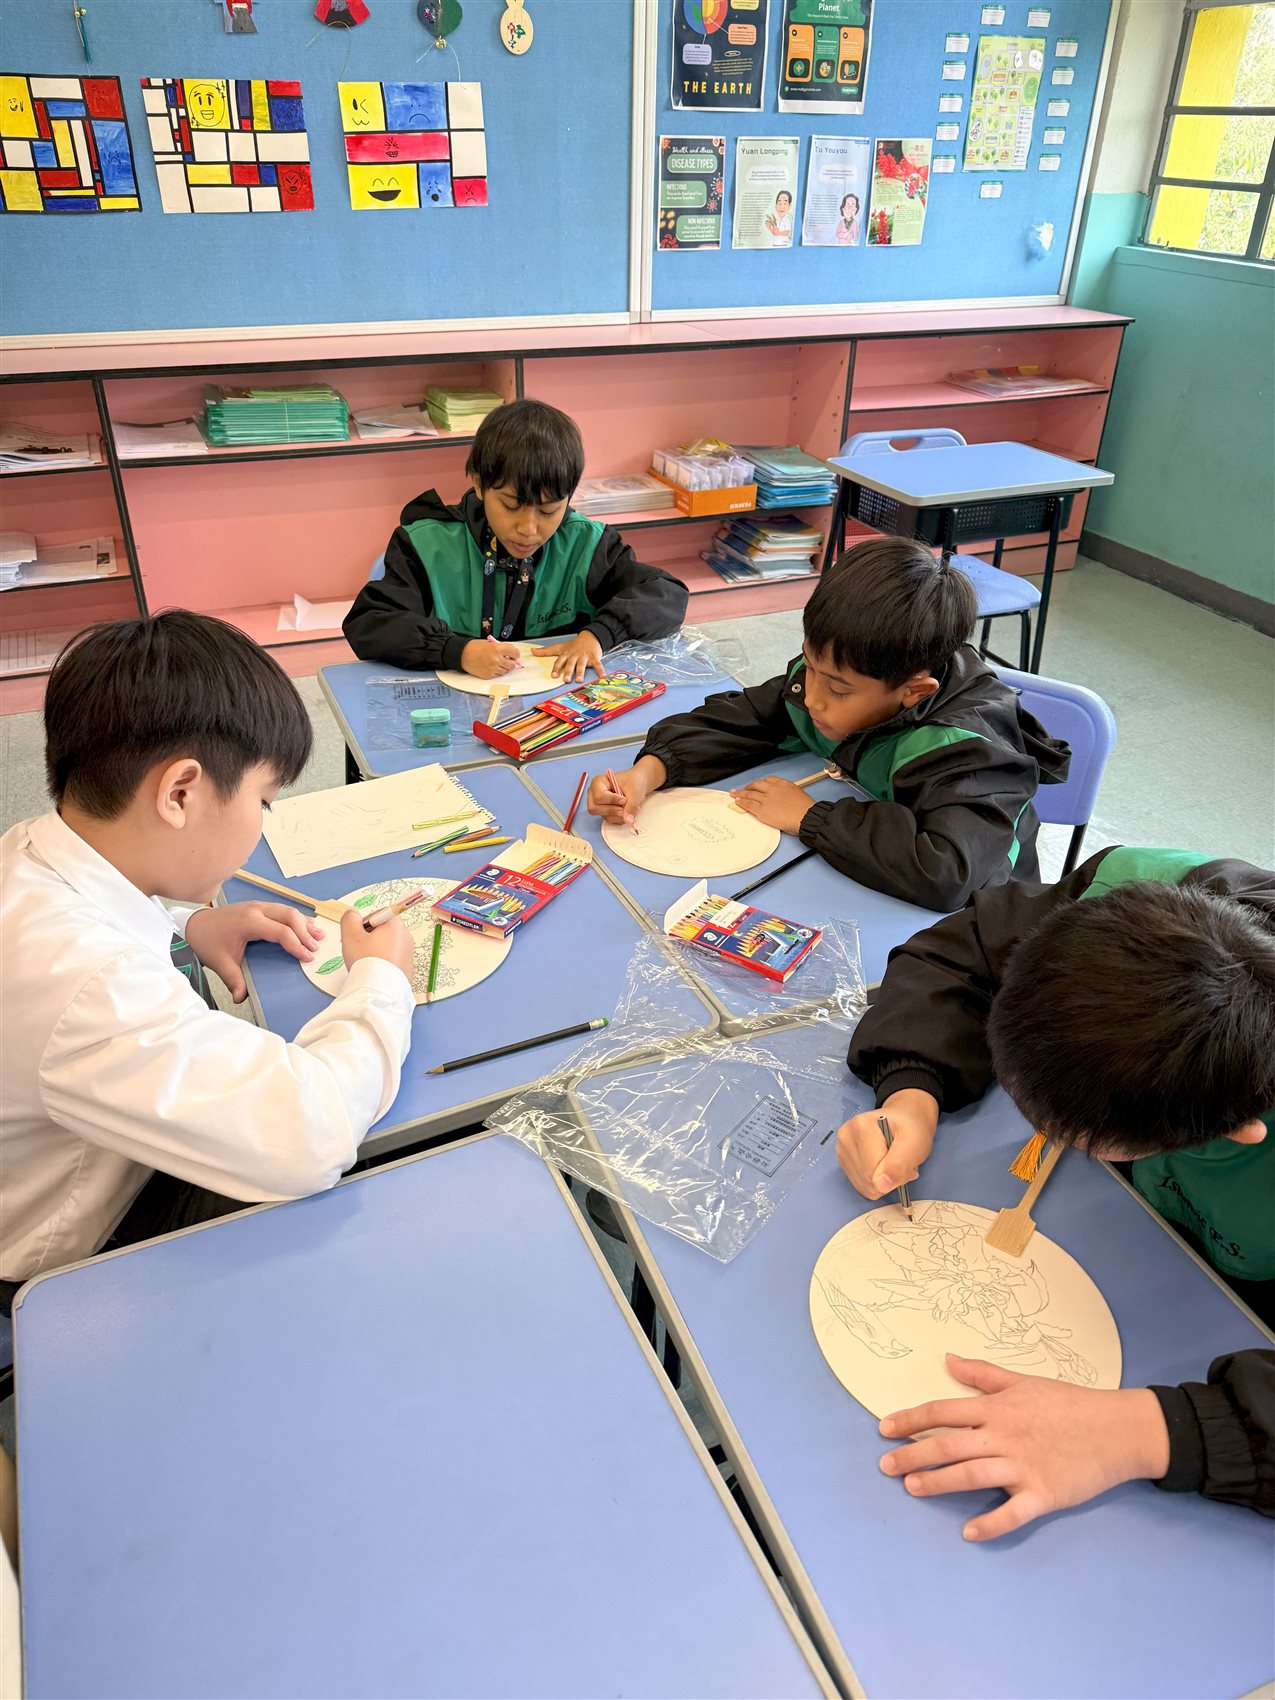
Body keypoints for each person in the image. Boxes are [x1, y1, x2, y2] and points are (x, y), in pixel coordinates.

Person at [837, 848, 1275, 1537]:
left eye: (1084, 1136)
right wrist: (912, 1088)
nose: (1045, 1136)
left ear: (1237, 1129)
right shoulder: (1121, 908)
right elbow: (963, 955)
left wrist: (1148, 1430)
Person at [0, 611, 417, 1283]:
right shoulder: (88, 986)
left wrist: (188, 925)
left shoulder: (32, 847)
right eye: (264, 801)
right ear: (180, 792)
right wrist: (380, 979)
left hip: (90, 1143)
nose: (262, 822)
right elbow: (310, 1137)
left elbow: (99, 911)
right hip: (92, 1238)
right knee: (400, 1172)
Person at [588, 538, 1069, 911]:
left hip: (982, 921)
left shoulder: (970, 752)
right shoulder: (842, 676)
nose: (812, 696)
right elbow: (742, 719)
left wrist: (809, 817)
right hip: (869, 879)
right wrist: (649, 772)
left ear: (913, 692)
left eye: (837, 689)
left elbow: (947, 872)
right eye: (810, 665)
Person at [343, 398, 688, 685]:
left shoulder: (587, 544)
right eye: (510, 506)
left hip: (555, 705)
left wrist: (598, 635)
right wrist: (456, 650)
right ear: (478, 484)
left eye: (549, 510)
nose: (528, 529)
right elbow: (369, 622)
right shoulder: (426, 544)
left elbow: (666, 594)